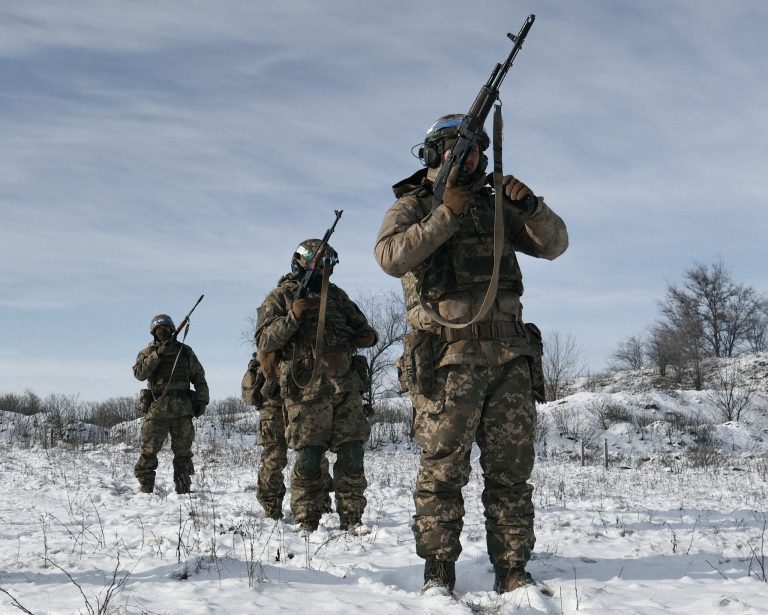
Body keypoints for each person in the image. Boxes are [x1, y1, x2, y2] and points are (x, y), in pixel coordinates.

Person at [374, 114, 568, 593]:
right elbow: (391, 257)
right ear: (436, 154)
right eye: (459, 149)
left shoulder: (495, 205)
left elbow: (555, 245)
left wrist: (532, 206)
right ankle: (438, 571)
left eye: (478, 149)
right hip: (447, 361)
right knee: (442, 473)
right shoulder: (413, 204)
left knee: (512, 475)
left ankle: (513, 570)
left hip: (509, 360)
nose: (471, 158)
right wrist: (446, 215)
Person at [255, 240, 378, 533]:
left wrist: (355, 338)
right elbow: (265, 341)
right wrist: (294, 317)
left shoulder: (336, 297)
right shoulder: (281, 296)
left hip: (344, 385)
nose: (326, 270)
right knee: (308, 456)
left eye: (329, 265)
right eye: (321, 264)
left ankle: (352, 518)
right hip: (304, 388)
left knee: (352, 452)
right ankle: (307, 519)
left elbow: (366, 332)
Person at [242, 352, 334, 521]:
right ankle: (271, 508)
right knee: (274, 460)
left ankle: (322, 504)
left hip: (300, 406)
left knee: (313, 453)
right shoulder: (265, 355)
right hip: (274, 410)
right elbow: (250, 395)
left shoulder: (302, 348)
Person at [133, 313, 209, 494]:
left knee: (183, 452)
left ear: (173, 330)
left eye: (166, 329)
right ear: (153, 332)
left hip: (182, 408)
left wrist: (202, 399)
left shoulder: (185, 352)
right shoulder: (147, 352)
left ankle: (183, 488)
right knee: (149, 450)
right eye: (159, 330)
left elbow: (199, 377)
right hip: (157, 408)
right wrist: (158, 354)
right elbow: (139, 374)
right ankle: (145, 488)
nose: (163, 332)